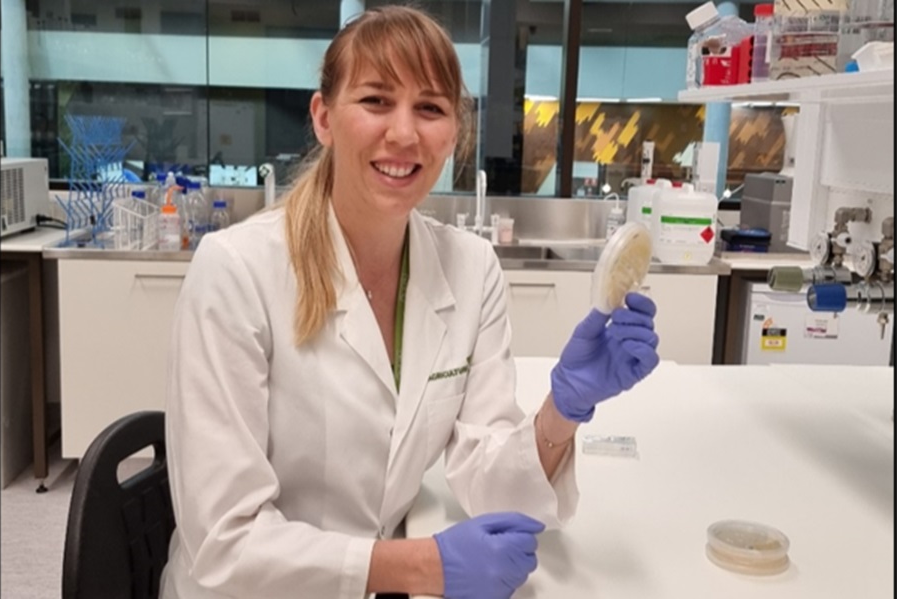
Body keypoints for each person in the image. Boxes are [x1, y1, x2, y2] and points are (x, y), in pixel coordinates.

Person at [160, 5, 659, 599]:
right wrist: (423, 565)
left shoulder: (471, 269)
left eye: (429, 108)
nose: (403, 133)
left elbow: (493, 490)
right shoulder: (237, 270)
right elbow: (222, 541)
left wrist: (565, 409)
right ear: (324, 118)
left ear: (454, 132)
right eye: (375, 100)